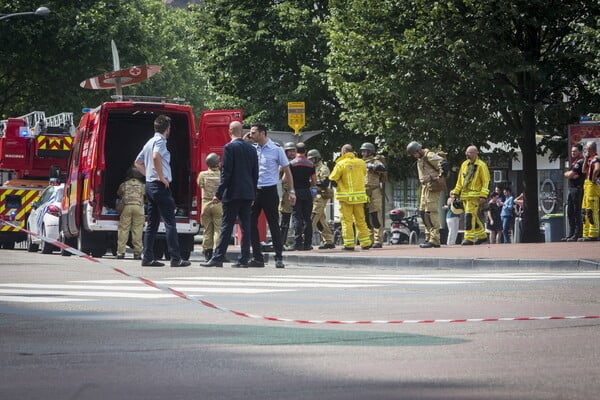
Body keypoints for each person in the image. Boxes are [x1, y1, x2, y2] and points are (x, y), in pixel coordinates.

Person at [135, 114, 191, 267]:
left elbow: (138, 162)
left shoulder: (149, 142)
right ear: (167, 129)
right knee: (170, 223)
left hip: (150, 186)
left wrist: (150, 175)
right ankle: (175, 257)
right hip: (160, 186)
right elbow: (155, 157)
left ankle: (147, 257)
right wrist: (161, 177)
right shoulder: (160, 141)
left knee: (152, 224)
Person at [200, 121, 258, 267]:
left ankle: (218, 257)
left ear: (229, 131)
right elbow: (255, 174)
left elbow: (226, 174)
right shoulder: (252, 149)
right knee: (246, 226)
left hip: (233, 193)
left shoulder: (229, 147)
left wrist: (218, 194)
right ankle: (244, 259)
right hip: (247, 193)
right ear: (241, 130)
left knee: (226, 226)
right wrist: (253, 193)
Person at [248, 122, 295, 268]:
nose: (251, 135)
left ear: (262, 133)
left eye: (254, 132)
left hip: (270, 190)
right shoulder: (253, 149)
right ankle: (257, 257)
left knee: (274, 224)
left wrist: (291, 191)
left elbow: (287, 170)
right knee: (250, 223)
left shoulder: (276, 149)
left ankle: (278, 257)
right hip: (255, 191)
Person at [329, 144, 372, 250]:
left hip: (346, 198)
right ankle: (365, 242)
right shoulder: (361, 163)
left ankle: (349, 244)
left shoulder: (340, 164)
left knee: (347, 221)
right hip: (359, 198)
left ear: (343, 152)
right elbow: (364, 174)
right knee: (361, 220)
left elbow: (333, 178)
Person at [407, 141, 445, 248]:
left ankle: (435, 239)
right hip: (425, 186)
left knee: (431, 212)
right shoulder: (421, 159)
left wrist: (441, 177)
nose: (414, 156)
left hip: (433, 186)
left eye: (414, 153)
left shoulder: (430, 155)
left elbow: (443, 164)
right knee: (423, 213)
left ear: (419, 150)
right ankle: (429, 237)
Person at [450, 145, 490, 245]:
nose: (467, 154)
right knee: (473, 217)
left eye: (470, 153)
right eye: (467, 152)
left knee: (469, 216)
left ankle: (469, 238)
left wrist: (483, 195)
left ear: (476, 153)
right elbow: (460, 180)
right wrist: (455, 192)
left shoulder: (481, 165)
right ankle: (482, 236)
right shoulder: (464, 164)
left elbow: (486, 181)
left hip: (474, 196)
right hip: (465, 196)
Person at [288, 142, 317, 250]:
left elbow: (285, 179)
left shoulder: (292, 164)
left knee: (297, 217)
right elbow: (314, 180)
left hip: (295, 192)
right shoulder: (310, 164)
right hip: (306, 192)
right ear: (305, 151)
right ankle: (308, 244)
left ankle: (298, 243)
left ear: (296, 150)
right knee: (307, 218)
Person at [360, 142, 387, 248]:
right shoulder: (360, 162)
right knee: (366, 216)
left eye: (365, 151)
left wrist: (371, 166)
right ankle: (369, 239)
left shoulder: (375, 161)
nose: (363, 153)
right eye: (362, 151)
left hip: (374, 190)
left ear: (370, 151)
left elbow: (382, 168)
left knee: (375, 215)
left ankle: (378, 240)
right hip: (363, 191)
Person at [197, 153, 222, 262]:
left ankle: (207, 251)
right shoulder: (221, 175)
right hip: (218, 204)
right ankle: (217, 251)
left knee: (207, 229)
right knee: (218, 229)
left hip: (206, 204)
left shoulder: (202, 175)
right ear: (217, 164)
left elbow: (200, 184)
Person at [308, 149, 335, 249]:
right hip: (312, 195)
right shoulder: (310, 168)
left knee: (312, 218)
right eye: (309, 159)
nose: (311, 160)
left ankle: (305, 240)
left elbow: (325, 183)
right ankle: (329, 240)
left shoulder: (323, 168)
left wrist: (312, 183)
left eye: (312, 158)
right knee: (320, 221)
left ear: (317, 158)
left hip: (320, 195)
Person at [116, 166, 145, 260]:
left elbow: (119, 194)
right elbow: (146, 196)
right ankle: (137, 253)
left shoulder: (124, 184)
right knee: (137, 231)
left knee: (123, 230)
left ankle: (121, 253)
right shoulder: (142, 185)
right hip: (138, 208)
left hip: (126, 207)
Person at [563, 143, 584, 241]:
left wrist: (569, 174)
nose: (572, 153)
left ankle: (577, 233)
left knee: (576, 212)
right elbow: (569, 174)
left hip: (577, 189)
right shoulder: (574, 162)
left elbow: (571, 174)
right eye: (572, 151)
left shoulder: (580, 162)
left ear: (580, 151)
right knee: (570, 212)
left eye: (575, 151)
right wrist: (568, 174)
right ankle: (571, 233)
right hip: (571, 189)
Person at [579, 141, 600, 241]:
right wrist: (586, 159)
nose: (585, 150)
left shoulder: (596, 159)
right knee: (585, 210)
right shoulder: (590, 159)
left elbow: (597, 169)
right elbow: (583, 171)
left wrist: (594, 178)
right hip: (587, 187)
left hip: (592, 187)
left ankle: (593, 234)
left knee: (592, 210)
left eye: (586, 148)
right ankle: (586, 233)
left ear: (591, 149)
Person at [279, 142, 297, 248]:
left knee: (298, 218)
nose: (292, 153)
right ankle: (282, 241)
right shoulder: (283, 164)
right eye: (290, 151)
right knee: (285, 219)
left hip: (296, 192)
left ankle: (297, 241)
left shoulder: (297, 163)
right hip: (286, 194)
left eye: (293, 150)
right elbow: (280, 180)